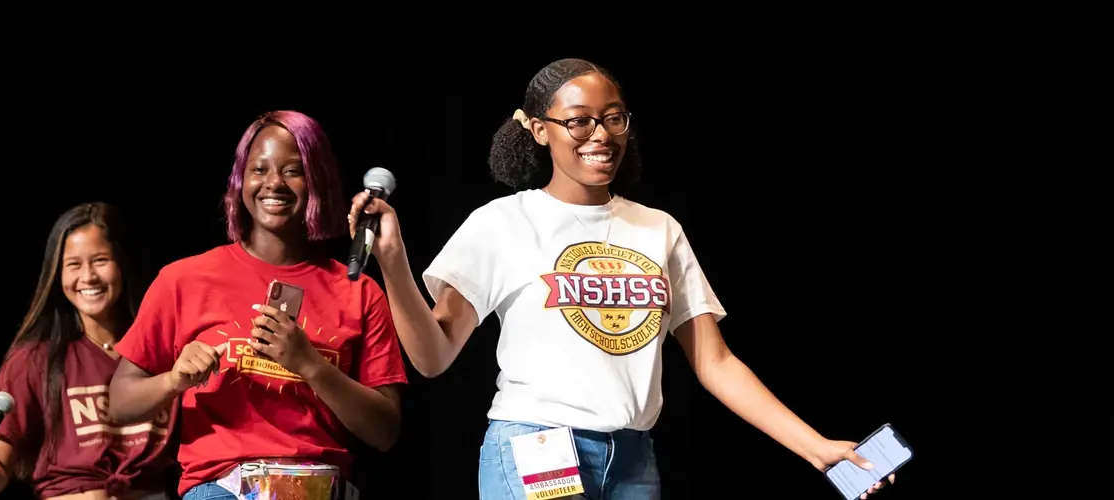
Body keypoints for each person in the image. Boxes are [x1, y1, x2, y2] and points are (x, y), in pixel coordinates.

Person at [347, 58, 896, 500]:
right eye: (579, 120)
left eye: (614, 118)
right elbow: (433, 356)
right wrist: (393, 261)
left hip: (634, 457)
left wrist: (815, 446)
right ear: (539, 130)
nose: (600, 134)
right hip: (538, 443)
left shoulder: (658, 229)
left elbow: (716, 361)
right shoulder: (504, 221)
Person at [107, 111, 407, 500]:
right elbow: (119, 402)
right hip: (221, 487)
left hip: (320, 488)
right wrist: (174, 380)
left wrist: (310, 364)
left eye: (292, 170)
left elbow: (385, 432)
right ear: (240, 180)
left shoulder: (358, 290)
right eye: (259, 169)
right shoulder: (183, 279)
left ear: (318, 179)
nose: (273, 183)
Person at [0, 202, 179, 500]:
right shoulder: (35, 359)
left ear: (123, 262)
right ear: (56, 273)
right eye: (73, 265)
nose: (88, 277)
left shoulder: (162, 350)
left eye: (100, 260)